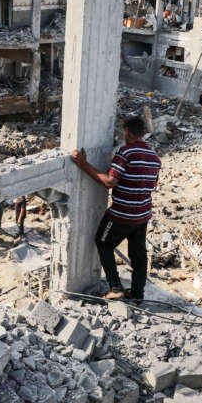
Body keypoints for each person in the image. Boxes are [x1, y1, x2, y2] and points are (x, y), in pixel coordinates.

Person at [70, 115, 161, 301]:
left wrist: (83, 164)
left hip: (122, 214)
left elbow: (110, 182)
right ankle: (137, 294)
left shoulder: (125, 153)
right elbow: (152, 184)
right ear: (143, 134)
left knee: (103, 243)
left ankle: (116, 287)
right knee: (138, 255)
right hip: (143, 215)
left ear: (126, 131)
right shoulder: (154, 158)